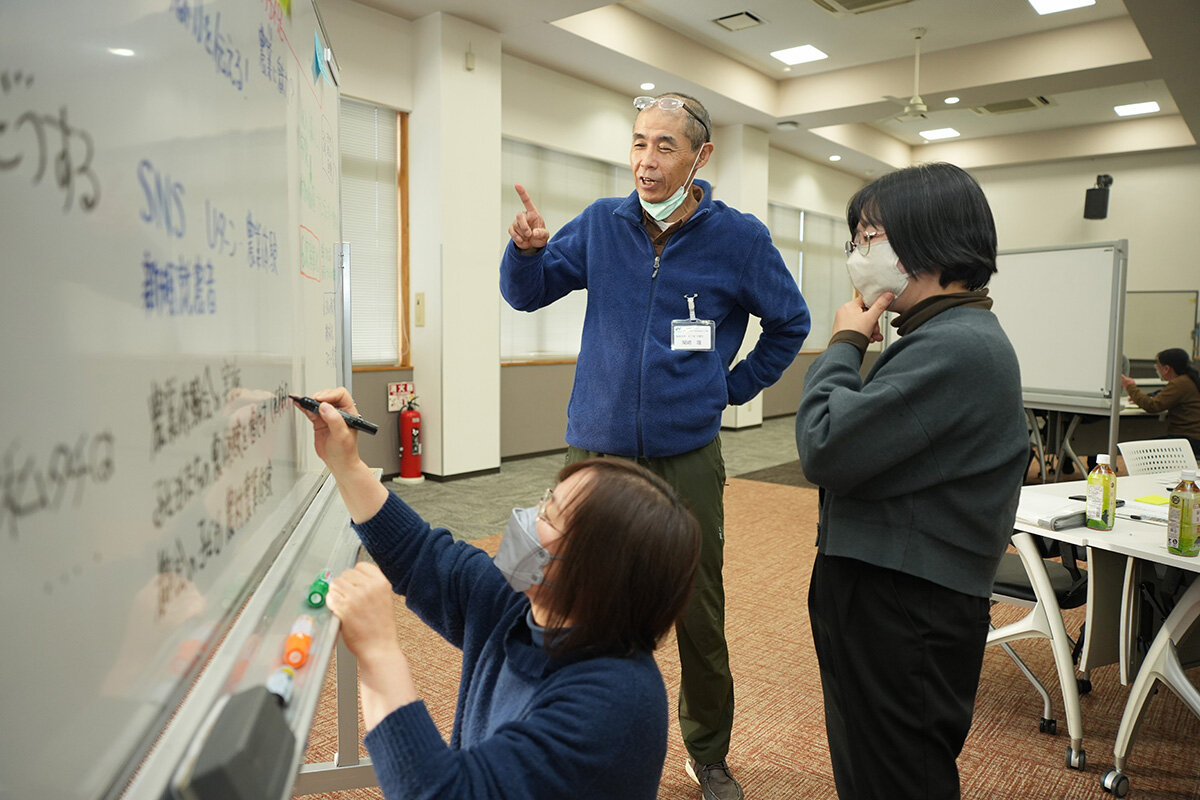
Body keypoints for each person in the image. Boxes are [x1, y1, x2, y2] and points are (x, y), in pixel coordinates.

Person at [500, 91, 810, 800]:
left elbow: (789, 322)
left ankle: (709, 752)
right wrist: (525, 253)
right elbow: (528, 293)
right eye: (639, 142)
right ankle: (550, 730)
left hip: (686, 453)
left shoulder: (740, 239)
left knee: (698, 605)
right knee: (554, 587)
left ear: (701, 156)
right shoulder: (602, 224)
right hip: (596, 450)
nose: (646, 160)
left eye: (664, 145)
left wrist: (729, 388)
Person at [294, 388, 701, 800]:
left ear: (597, 573)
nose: (528, 519)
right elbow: (420, 555)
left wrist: (378, 652)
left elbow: (440, 793)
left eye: (549, 516)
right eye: (544, 501)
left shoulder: (613, 702)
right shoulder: (524, 608)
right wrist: (346, 463)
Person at [794, 163, 1029, 800]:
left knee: (898, 777)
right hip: (892, 589)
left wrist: (844, 343)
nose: (856, 254)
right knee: (875, 766)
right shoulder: (943, 335)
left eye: (868, 237)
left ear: (928, 240)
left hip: (903, 603)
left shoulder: (956, 345)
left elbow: (825, 445)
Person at [1120, 347, 1200, 457]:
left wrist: (1130, 386)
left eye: (1158, 367)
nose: (1157, 370)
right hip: (1193, 439)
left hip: (1187, 440)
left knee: (1137, 451)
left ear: (1166, 368)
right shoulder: (1189, 380)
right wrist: (1140, 398)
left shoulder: (1179, 383)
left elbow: (1152, 406)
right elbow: (1162, 399)